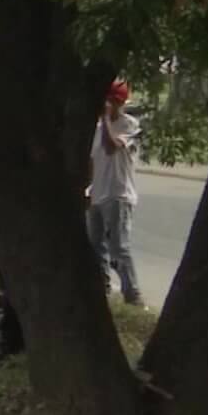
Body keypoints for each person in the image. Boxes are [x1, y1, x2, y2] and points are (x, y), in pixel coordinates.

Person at [88, 80, 144, 307]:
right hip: (97, 193)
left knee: (118, 247)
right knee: (96, 245)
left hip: (119, 194)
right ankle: (102, 289)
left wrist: (105, 118)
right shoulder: (98, 129)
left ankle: (133, 293)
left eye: (112, 101)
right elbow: (92, 161)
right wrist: (87, 189)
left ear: (120, 103)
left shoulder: (130, 125)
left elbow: (112, 148)